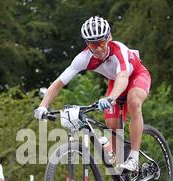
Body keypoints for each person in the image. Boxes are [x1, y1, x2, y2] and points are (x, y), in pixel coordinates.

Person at [34, 16, 152, 172]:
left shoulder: (120, 50)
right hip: (115, 83)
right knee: (112, 126)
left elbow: (123, 77)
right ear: (86, 43)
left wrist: (111, 98)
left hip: (136, 77)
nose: (97, 49)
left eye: (101, 43)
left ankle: (134, 158)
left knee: (134, 103)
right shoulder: (83, 58)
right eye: (92, 44)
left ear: (109, 38)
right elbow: (59, 83)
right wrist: (43, 106)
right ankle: (121, 179)